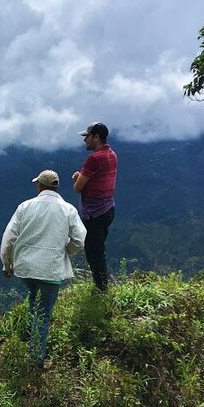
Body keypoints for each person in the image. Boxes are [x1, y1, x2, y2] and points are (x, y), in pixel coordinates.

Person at [0, 170, 86, 367]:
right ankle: (35, 361)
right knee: (43, 313)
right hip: (51, 268)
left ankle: (33, 350)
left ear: (39, 186)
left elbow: (9, 238)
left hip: (26, 268)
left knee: (35, 305)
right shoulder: (68, 210)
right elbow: (80, 240)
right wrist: (67, 252)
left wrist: (7, 264)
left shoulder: (25, 207)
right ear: (56, 186)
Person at [72, 122, 117, 291]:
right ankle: (101, 286)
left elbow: (77, 188)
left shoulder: (93, 159)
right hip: (108, 208)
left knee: (94, 253)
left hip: (94, 214)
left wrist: (77, 178)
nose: (85, 140)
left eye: (87, 137)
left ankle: (101, 290)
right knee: (98, 249)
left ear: (96, 137)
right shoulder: (112, 154)